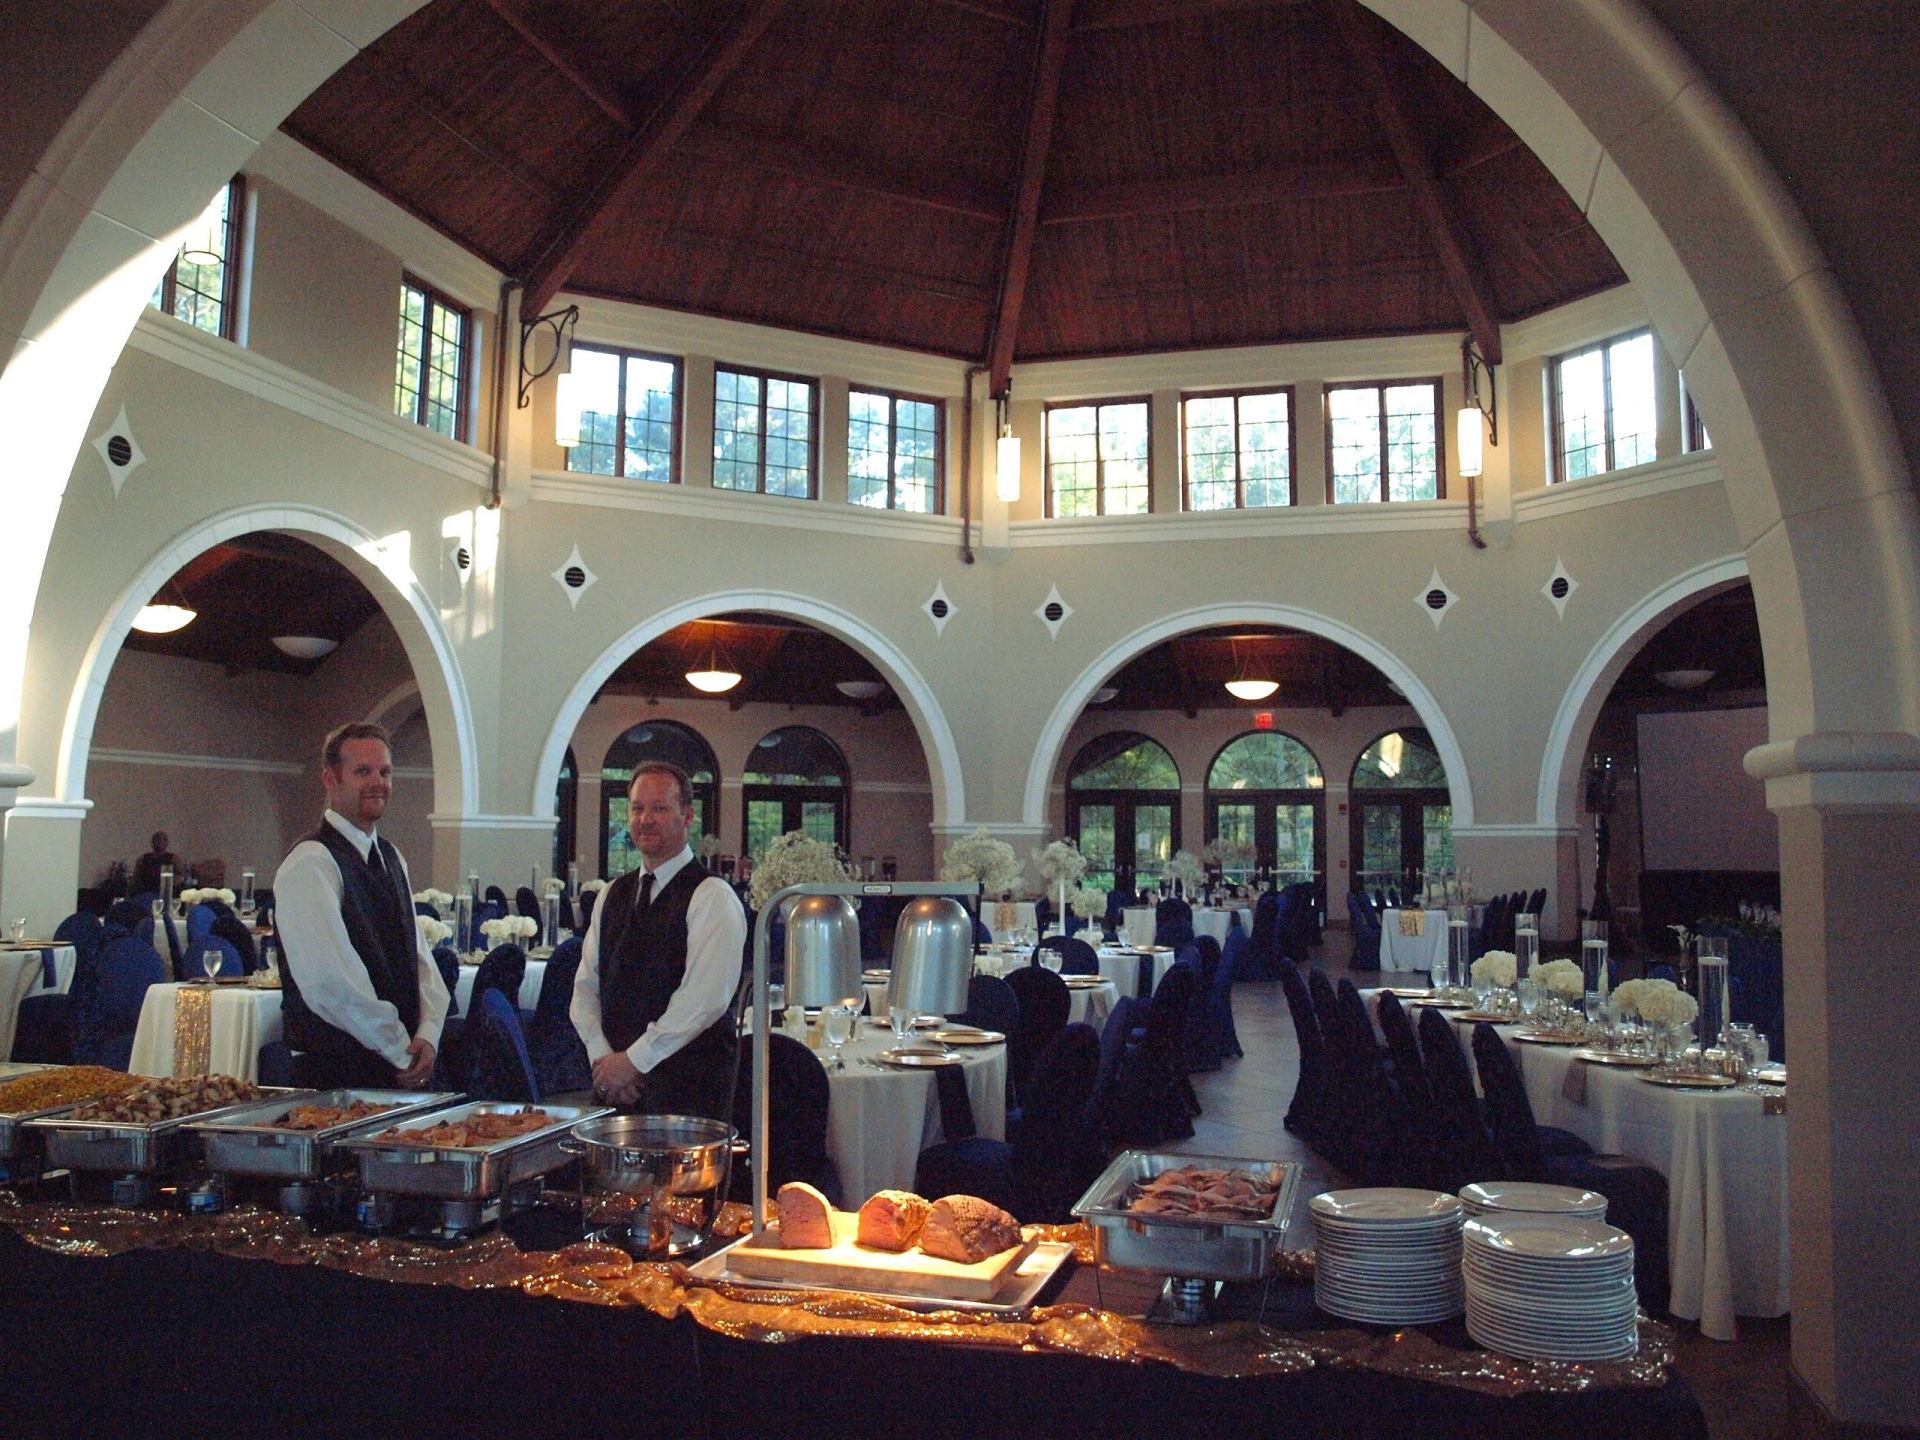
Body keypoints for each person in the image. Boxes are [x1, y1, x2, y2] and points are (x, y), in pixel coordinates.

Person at [272, 721, 448, 1089]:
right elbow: (330, 984)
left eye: (385, 772)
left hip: (397, 1067)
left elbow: (419, 958)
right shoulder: (310, 862)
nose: (377, 782)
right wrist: (400, 1049)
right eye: (362, 771)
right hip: (335, 1075)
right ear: (330, 779)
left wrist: (429, 1032)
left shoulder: (391, 855)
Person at [571, 761, 746, 1119]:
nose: (645, 819)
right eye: (637, 808)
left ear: (687, 816)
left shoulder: (712, 896)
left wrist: (634, 1061)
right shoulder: (611, 894)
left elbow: (704, 1001)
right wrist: (604, 1060)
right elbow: (585, 988)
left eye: (659, 808)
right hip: (614, 1096)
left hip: (688, 1098)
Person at [130, 831, 180, 895]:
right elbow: (136, 877)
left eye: (162, 840)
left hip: (165, 892)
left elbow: (179, 876)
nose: (159, 842)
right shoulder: (143, 858)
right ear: (152, 842)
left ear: (167, 843)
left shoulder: (174, 858)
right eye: (157, 839)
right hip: (145, 892)